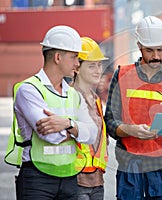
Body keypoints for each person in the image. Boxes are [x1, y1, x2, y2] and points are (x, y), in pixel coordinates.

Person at [104, 16, 162, 199]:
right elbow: (110, 123)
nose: (156, 56)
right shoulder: (122, 75)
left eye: (160, 50)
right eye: (149, 50)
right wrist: (130, 130)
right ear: (139, 46)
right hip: (131, 166)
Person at [5, 25, 98, 199]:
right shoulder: (29, 90)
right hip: (37, 180)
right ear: (57, 57)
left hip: (70, 178)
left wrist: (67, 124)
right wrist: (78, 130)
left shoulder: (73, 94)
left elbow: (93, 134)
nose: (78, 64)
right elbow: (50, 136)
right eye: (74, 57)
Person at [72, 37, 109, 200]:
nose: (98, 70)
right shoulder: (69, 97)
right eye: (91, 65)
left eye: (99, 64)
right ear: (77, 67)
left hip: (97, 181)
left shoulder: (96, 101)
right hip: (75, 181)